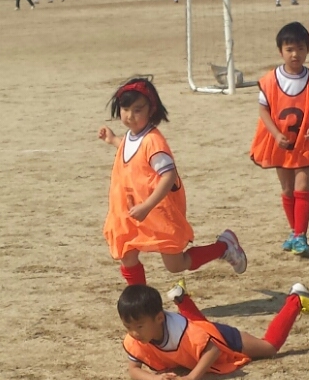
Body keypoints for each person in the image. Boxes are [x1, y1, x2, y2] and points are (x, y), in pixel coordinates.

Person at [99, 76, 246, 285]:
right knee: (127, 255)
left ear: (152, 110)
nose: (130, 116)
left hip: (156, 211)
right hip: (128, 210)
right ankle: (142, 301)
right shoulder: (132, 136)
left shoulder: (154, 141)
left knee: (175, 265)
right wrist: (113, 140)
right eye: (125, 109)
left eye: (138, 109)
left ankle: (224, 247)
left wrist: (147, 206)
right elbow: (132, 150)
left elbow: (168, 176)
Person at [118, 281, 309, 380]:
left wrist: (190, 378)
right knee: (198, 328)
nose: (134, 333)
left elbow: (213, 349)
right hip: (197, 330)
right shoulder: (136, 337)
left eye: (139, 326)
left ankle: (296, 299)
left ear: (159, 318)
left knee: (269, 348)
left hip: (220, 336)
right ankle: (182, 300)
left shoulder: (182, 332)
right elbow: (133, 370)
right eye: (128, 326)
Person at [249, 22, 309, 255]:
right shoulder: (270, 80)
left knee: (303, 187)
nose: (295, 54)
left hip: (304, 143)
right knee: (287, 189)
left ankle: (301, 235)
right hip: (280, 143)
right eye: (289, 49)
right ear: (280, 51)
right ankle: (294, 231)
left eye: (300, 49)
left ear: (308, 50)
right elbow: (263, 110)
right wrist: (275, 133)